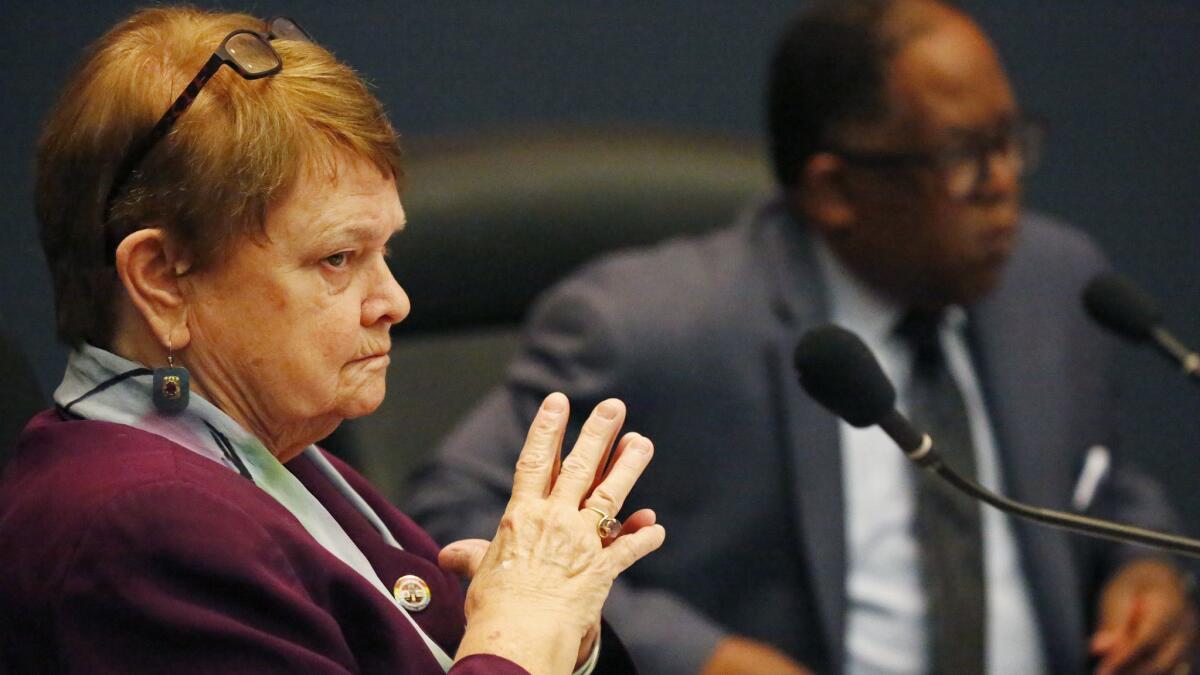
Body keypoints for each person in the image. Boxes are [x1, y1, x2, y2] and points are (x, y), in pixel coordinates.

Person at [407, 1, 1198, 673]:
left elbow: (1101, 477)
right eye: (963, 158)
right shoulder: (656, 323)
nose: (1004, 190)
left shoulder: (1053, 282)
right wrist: (701, 654)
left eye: (1009, 143)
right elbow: (455, 514)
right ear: (834, 189)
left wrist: (1146, 567)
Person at [0, 7, 666, 674]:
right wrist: (520, 636)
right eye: (339, 259)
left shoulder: (268, 451)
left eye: (385, 250)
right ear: (162, 280)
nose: (394, 302)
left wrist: (560, 627)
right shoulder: (138, 530)